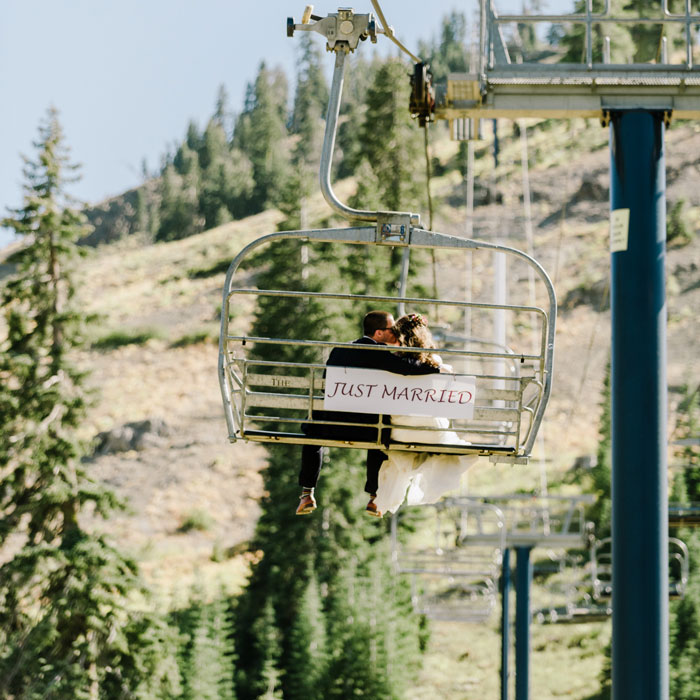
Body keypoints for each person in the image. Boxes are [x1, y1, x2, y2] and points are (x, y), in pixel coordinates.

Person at [296, 310, 439, 517]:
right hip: (366, 429)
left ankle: (307, 493)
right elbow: (408, 368)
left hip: (330, 425)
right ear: (379, 333)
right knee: (382, 430)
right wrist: (434, 367)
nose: (396, 333)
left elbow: (325, 387)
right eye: (392, 329)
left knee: (312, 435)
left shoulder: (339, 350)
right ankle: (373, 497)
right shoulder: (378, 352)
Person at [373, 313, 479, 516]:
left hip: (401, 433)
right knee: (435, 438)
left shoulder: (393, 361)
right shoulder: (435, 361)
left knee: (397, 453)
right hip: (434, 432)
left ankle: (381, 500)